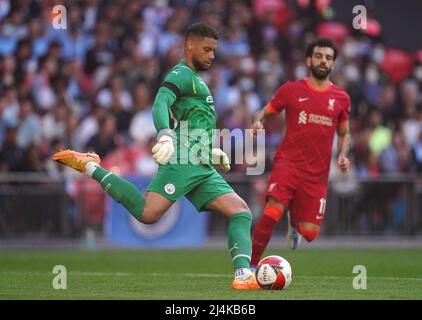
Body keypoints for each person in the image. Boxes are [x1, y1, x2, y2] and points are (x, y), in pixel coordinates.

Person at [52, 22, 259, 290]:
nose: (211, 56)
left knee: (241, 212)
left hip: (201, 162)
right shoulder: (181, 74)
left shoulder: (196, 80)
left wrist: (210, 149)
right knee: (148, 214)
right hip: (184, 159)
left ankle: (243, 275)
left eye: (214, 51)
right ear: (190, 46)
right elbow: (161, 102)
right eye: (207, 49)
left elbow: (194, 121)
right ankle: (92, 167)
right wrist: (164, 134)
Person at [250, 38, 351, 269]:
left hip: (317, 174)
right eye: (318, 56)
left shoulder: (342, 99)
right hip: (289, 163)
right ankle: (250, 267)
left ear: (333, 64)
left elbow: (345, 133)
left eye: (328, 57)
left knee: (310, 233)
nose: (323, 61)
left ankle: (294, 223)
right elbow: (264, 112)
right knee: (271, 212)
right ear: (308, 60)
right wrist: (257, 122)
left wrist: (343, 154)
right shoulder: (291, 90)